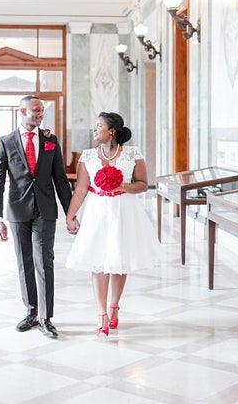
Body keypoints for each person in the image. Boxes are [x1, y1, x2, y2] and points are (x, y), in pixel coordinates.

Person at [64, 112, 160, 337]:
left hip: (124, 211)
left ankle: (114, 307)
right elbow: (80, 189)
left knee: (119, 260)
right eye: (94, 126)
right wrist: (70, 215)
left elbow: (143, 184)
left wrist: (123, 187)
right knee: (98, 262)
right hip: (98, 211)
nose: (94, 129)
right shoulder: (88, 156)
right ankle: (101, 315)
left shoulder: (132, 154)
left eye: (99, 126)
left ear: (112, 130)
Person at [0, 95, 73, 338]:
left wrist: (70, 213)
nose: (39, 115)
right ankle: (32, 311)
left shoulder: (50, 140)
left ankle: (46, 317)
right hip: (17, 211)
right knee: (24, 261)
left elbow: (60, 179)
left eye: (41, 111)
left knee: (44, 261)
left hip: (45, 210)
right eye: (35, 111)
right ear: (22, 112)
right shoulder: (6, 142)